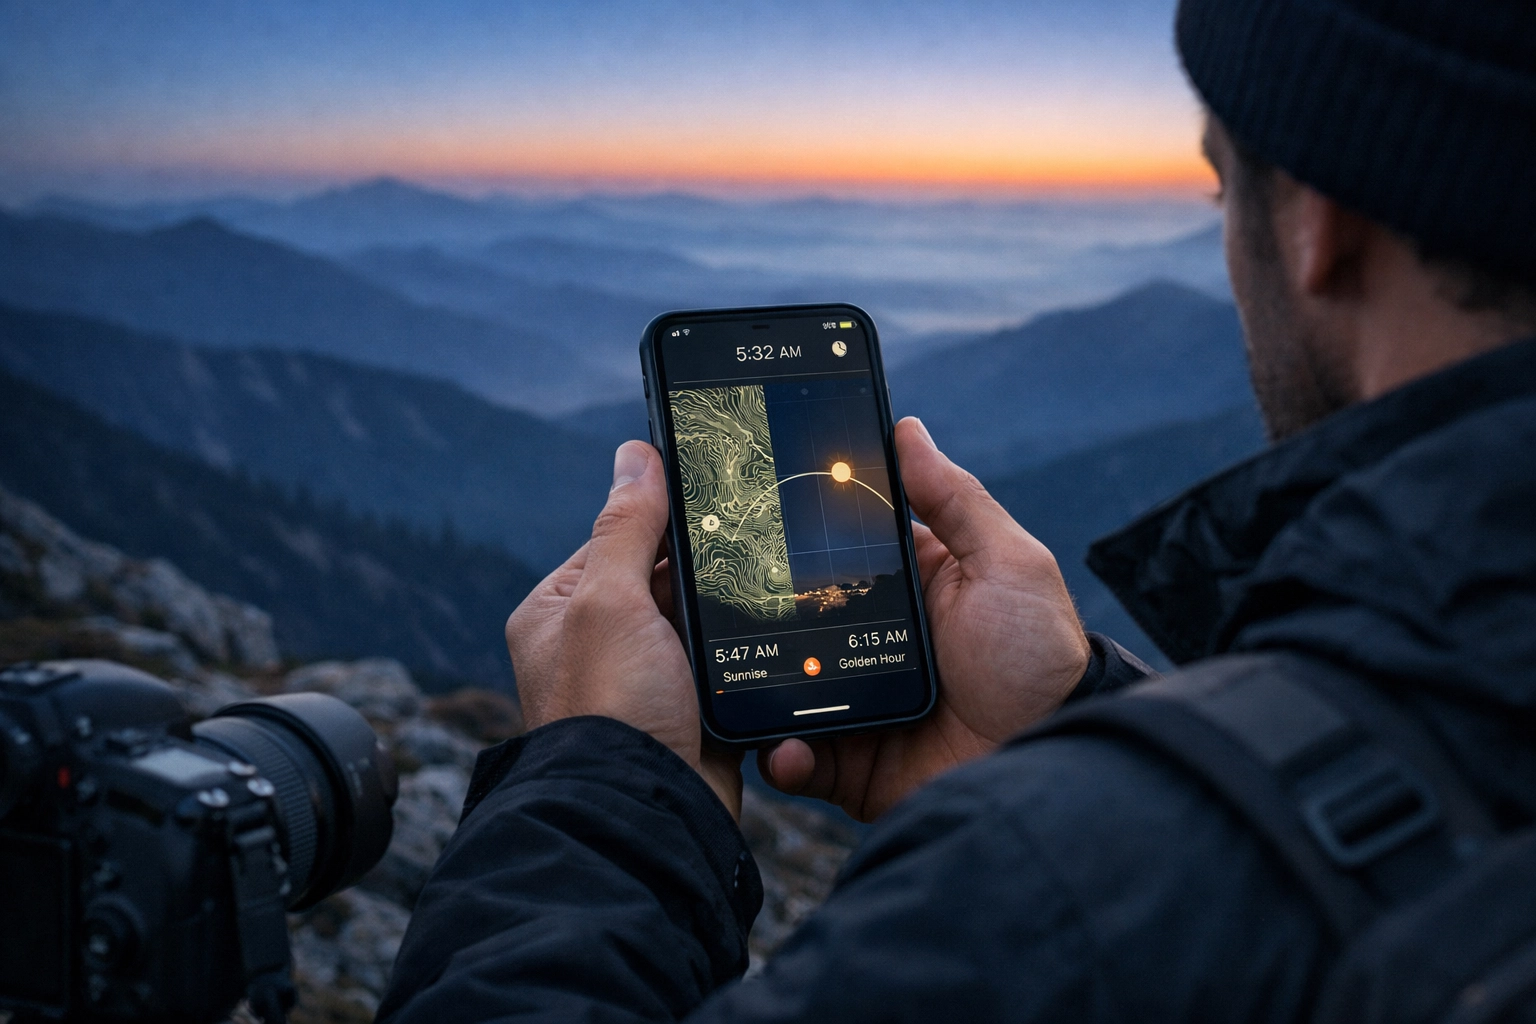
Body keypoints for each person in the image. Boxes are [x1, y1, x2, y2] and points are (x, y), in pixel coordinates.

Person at [378, 0, 1536, 1019]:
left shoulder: (1027, 913)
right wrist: (1078, 730)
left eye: (1226, 187)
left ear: (1317, 223)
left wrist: (599, 791)